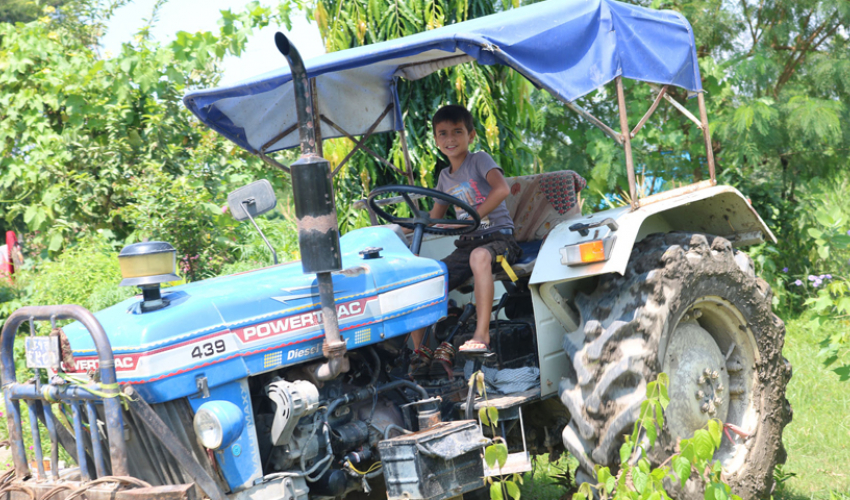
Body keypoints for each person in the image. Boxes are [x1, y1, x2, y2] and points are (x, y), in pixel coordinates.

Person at [410, 105, 521, 355]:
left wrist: (472, 219)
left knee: (479, 256)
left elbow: (501, 189)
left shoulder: (479, 159)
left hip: (498, 238)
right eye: (443, 133)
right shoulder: (443, 177)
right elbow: (435, 221)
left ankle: (481, 335)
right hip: (467, 244)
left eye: (457, 132)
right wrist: (407, 227)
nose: (450, 139)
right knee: (422, 278)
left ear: (470, 136)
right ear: (436, 139)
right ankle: (420, 353)